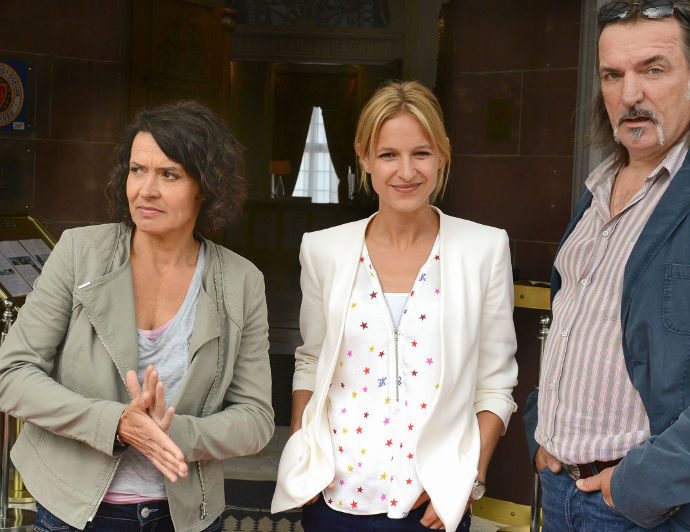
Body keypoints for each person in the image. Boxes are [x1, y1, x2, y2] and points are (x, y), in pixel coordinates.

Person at [523, 1, 690, 530]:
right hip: (561, 490)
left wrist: (643, 484)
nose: (630, 94)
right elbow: (578, 322)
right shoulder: (598, 185)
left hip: (654, 510)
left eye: (653, 70)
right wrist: (542, 428)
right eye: (613, 75)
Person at [0, 100, 275, 531]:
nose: (146, 189)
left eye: (169, 175)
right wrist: (115, 424)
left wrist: (171, 434)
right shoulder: (79, 253)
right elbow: (12, 374)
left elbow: (256, 419)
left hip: (184, 515)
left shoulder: (241, 282)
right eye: (137, 170)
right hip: (73, 510)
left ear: (206, 187)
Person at [271, 80, 518, 531]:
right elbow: (311, 363)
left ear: (443, 154)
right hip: (333, 498)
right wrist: (301, 454)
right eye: (388, 154)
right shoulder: (324, 249)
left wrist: (469, 478)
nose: (406, 171)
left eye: (421, 153)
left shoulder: (484, 248)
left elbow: (495, 385)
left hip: (432, 501)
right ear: (364, 157)